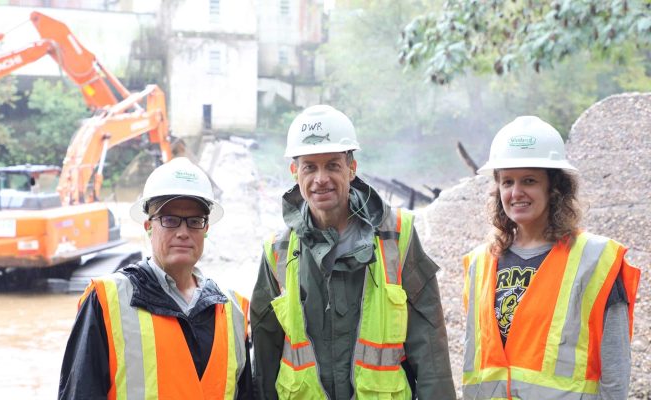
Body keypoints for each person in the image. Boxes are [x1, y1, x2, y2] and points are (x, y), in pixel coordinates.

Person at [251, 105, 455, 399]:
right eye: (310, 166)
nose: (321, 178)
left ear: (351, 167)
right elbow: (264, 351)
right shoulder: (278, 252)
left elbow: (429, 344)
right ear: (295, 172)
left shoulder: (397, 237)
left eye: (332, 165)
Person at [461, 116, 641, 399]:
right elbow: (474, 358)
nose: (516, 192)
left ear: (554, 187)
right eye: (507, 181)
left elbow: (615, 365)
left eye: (529, 180)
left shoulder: (595, 260)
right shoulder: (480, 263)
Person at [59, 157, 253, 400]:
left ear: (206, 228)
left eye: (194, 221)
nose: (183, 232)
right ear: (148, 226)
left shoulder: (234, 310)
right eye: (170, 220)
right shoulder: (106, 301)